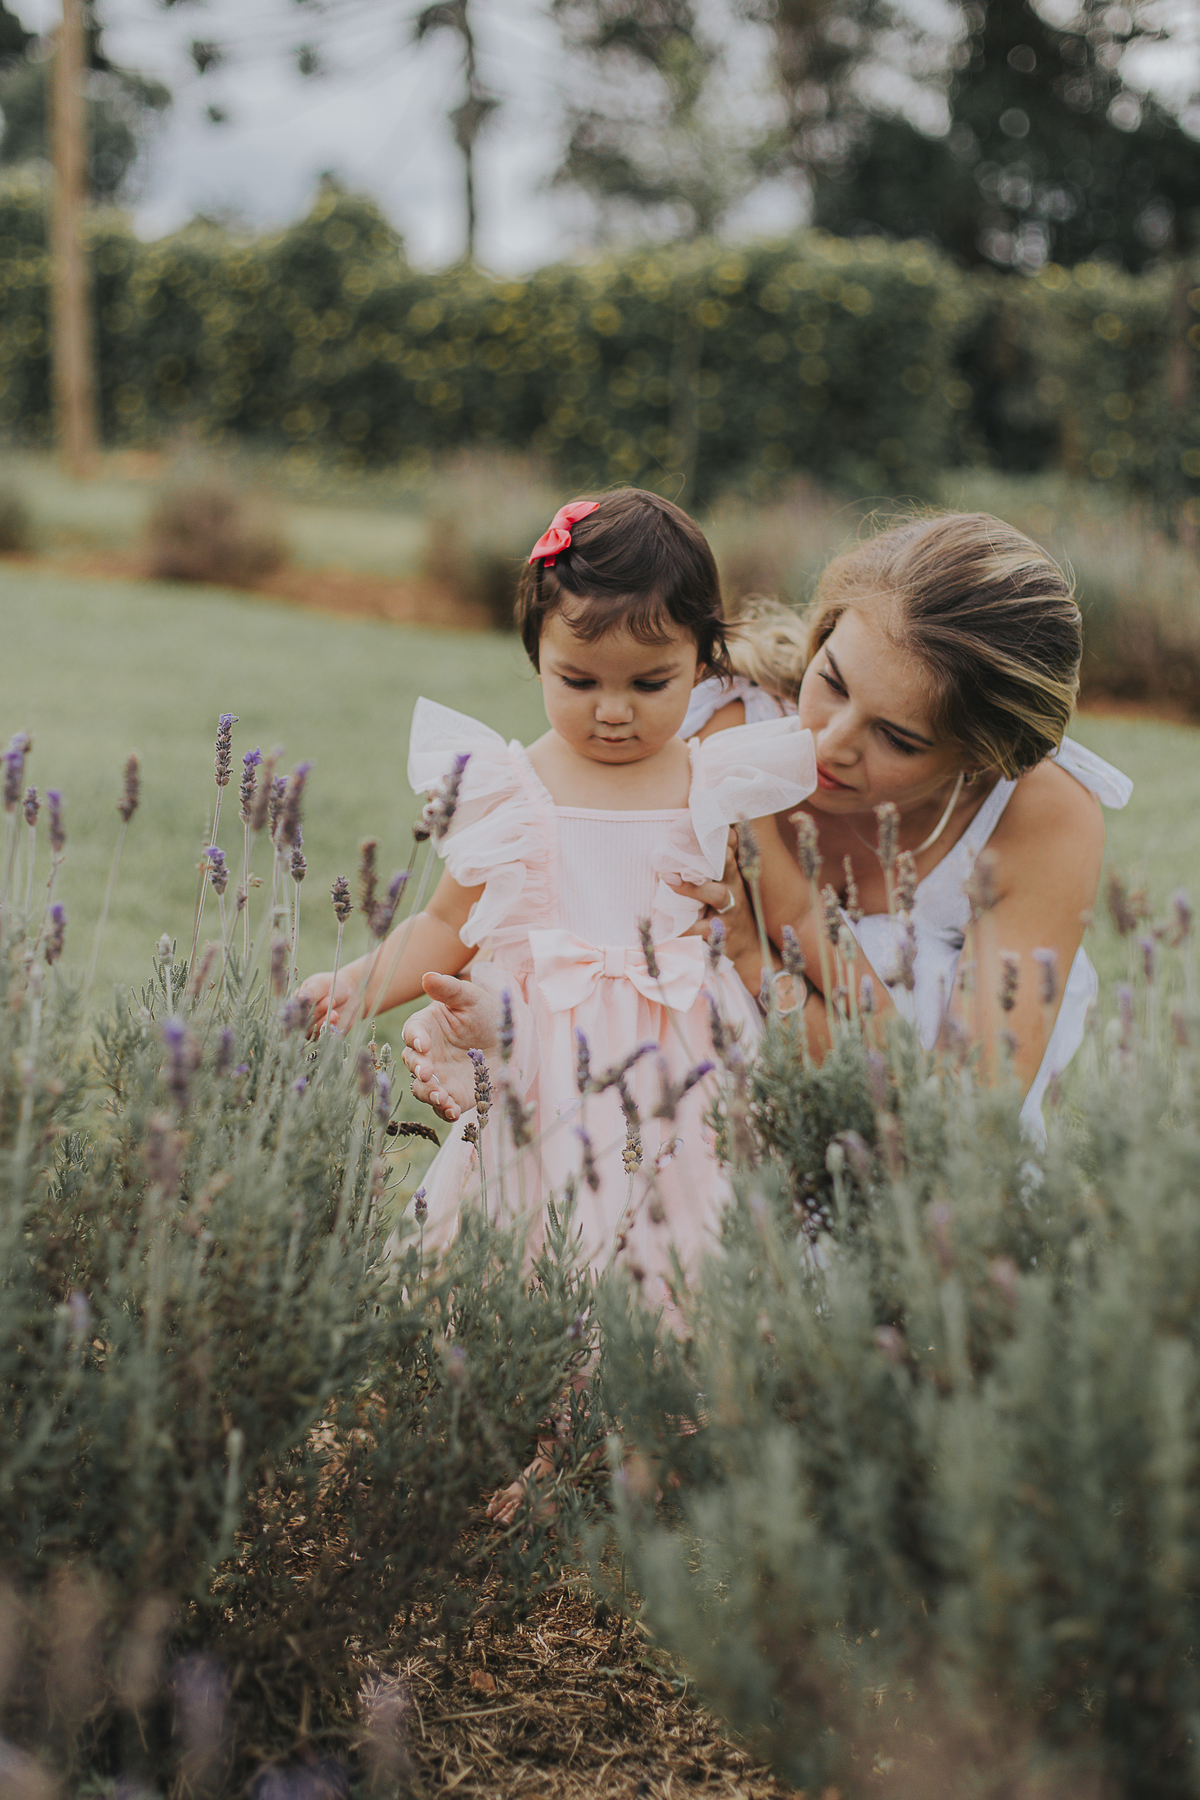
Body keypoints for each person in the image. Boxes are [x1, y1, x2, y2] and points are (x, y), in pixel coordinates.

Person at [404, 511, 1131, 1142]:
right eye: (832, 681)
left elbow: (957, 1122)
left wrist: (755, 962)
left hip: (915, 1196)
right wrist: (480, 1030)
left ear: (980, 758)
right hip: (685, 1157)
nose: (830, 743)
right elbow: (546, 941)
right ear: (824, 629)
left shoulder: (1040, 812)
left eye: (897, 738)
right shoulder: (703, 729)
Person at [298, 488, 816, 1311]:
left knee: (684, 1251)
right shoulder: (510, 790)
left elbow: (764, 922)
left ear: (703, 665)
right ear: (536, 655)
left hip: (683, 1070)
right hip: (543, 1067)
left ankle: (660, 1378)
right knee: (526, 1241)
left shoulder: (716, 782)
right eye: (578, 679)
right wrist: (353, 988)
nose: (612, 711)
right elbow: (446, 923)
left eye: (650, 683)